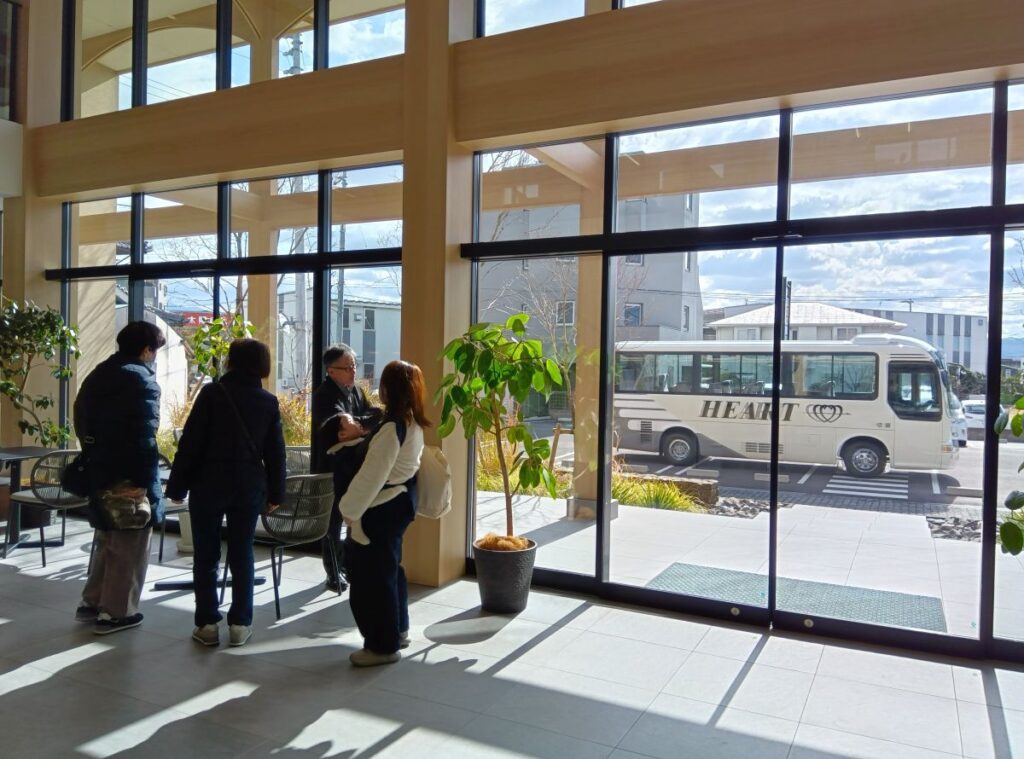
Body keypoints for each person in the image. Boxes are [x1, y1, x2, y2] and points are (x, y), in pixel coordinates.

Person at [166, 339, 286, 648]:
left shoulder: (212, 394)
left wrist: (177, 486)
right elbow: (276, 454)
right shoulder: (268, 402)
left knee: (206, 554)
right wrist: (276, 493)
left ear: (231, 361)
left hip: (208, 484)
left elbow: (190, 443)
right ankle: (240, 625)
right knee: (242, 552)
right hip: (248, 486)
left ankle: (207, 624)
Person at [75, 321, 166, 634]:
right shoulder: (142, 381)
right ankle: (117, 612)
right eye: (154, 350)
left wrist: (94, 453)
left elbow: (80, 417)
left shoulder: (99, 373)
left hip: (100, 469)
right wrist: (143, 482)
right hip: (129, 475)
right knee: (130, 542)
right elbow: (144, 438)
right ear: (146, 350)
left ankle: (92, 603)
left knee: (107, 537)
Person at [339, 359, 429, 667]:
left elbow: (372, 476)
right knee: (390, 570)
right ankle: (398, 630)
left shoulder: (392, 428)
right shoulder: (412, 422)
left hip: (381, 508)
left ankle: (382, 646)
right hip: (400, 504)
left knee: (371, 579)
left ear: (390, 389)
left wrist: (349, 510)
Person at [311, 344, 381, 593]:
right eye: (347, 367)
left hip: (353, 465)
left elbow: (376, 414)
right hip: (333, 467)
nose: (353, 371)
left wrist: (358, 425)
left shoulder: (356, 391)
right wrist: (360, 425)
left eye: (354, 366)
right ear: (331, 371)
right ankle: (332, 573)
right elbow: (338, 428)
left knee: (352, 518)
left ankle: (347, 565)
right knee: (332, 523)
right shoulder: (324, 395)